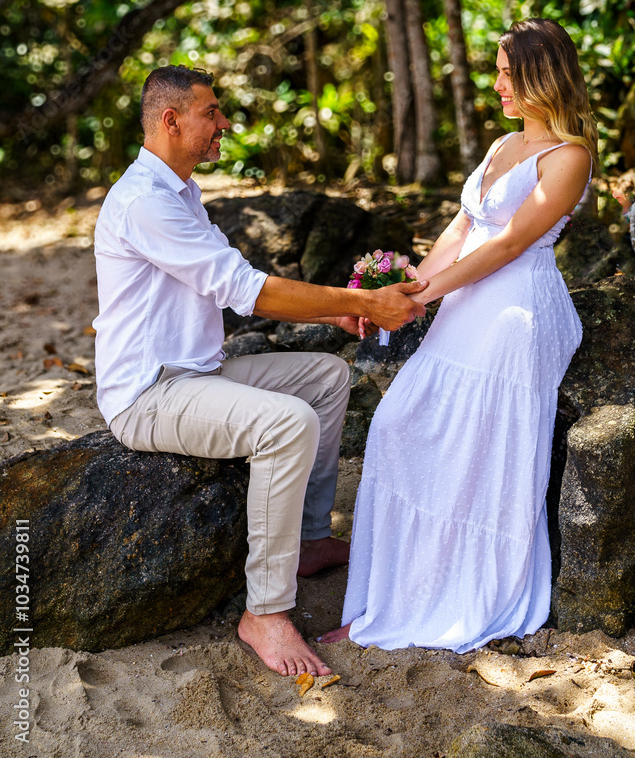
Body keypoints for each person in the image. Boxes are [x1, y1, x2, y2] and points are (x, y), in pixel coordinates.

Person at [93, 64, 428, 677]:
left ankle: (304, 539)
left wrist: (342, 313)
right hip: (147, 393)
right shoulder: (145, 203)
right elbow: (243, 290)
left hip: (196, 376)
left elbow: (242, 283)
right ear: (171, 120)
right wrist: (358, 302)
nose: (223, 123)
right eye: (211, 112)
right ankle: (265, 613)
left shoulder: (180, 191)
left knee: (326, 379)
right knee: (287, 423)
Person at [322, 18, 597, 652]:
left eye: (508, 71)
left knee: (475, 451)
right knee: (396, 426)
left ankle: (452, 598)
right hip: (464, 302)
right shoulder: (502, 146)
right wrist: (411, 286)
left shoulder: (569, 156)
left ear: (542, 73)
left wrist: (428, 296)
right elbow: (462, 228)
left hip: (513, 316)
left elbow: (509, 242)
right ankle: (390, 597)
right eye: (498, 70)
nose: (497, 83)